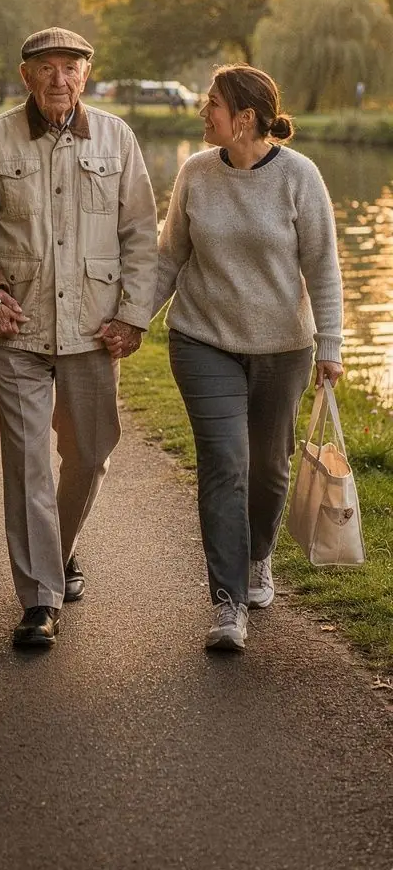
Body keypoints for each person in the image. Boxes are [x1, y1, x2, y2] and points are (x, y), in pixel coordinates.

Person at [0, 27, 158, 650]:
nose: (59, 79)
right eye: (47, 68)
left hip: (95, 331)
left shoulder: (118, 139)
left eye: (71, 67)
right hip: (18, 330)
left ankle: (56, 551)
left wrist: (134, 316)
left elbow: (142, 236)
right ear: (26, 75)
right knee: (29, 462)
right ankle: (40, 600)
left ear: (86, 75)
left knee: (90, 453)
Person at [153, 65, 343, 654]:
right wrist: (131, 321)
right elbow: (169, 258)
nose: (203, 112)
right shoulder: (195, 173)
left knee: (268, 468)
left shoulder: (299, 176)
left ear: (245, 117)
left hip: (283, 348)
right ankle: (227, 601)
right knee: (225, 463)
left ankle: (259, 557)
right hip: (202, 338)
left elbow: (323, 266)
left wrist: (330, 345)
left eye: (212, 104)